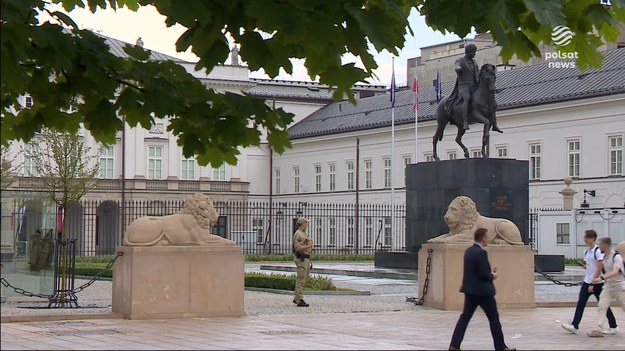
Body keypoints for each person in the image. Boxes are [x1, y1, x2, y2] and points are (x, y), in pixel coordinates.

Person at [449, 228, 515, 351]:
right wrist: (493, 275)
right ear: (483, 238)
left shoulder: (468, 251)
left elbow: (473, 271)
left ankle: (454, 345)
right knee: (494, 319)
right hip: (483, 293)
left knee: (464, 318)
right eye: (487, 237)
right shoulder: (481, 253)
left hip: (470, 291)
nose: (488, 239)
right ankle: (500, 347)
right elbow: (483, 274)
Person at [562, 230, 617, 334]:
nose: (585, 239)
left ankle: (613, 326)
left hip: (596, 283)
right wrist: (583, 266)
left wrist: (593, 283)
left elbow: (599, 267)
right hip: (587, 281)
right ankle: (574, 325)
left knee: (603, 304)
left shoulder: (597, 251)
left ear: (592, 239)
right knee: (581, 303)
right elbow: (590, 267)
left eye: (587, 237)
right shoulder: (586, 251)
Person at [446, 44, 502, 133]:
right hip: (463, 86)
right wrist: (458, 68)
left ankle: (494, 124)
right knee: (467, 98)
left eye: (474, 52)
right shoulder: (460, 61)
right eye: (473, 52)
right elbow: (457, 66)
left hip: (474, 85)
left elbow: (477, 74)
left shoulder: (474, 62)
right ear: (468, 52)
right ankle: (465, 122)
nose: (474, 54)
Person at [588, 237, 625, 337]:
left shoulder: (616, 257)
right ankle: (599, 329)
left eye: (600, 244)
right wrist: (593, 282)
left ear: (605, 245)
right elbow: (600, 269)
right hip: (608, 287)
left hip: (619, 287)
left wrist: (601, 278)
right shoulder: (604, 257)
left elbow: (615, 271)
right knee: (602, 306)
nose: (599, 246)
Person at [292, 217, 312, 307]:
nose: (307, 224)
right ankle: (299, 299)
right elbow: (298, 247)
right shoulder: (298, 234)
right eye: (306, 223)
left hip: (306, 259)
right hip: (301, 259)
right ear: (302, 224)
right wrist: (308, 245)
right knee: (301, 279)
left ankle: (298, 297)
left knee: (304, 279)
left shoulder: (303, 233)